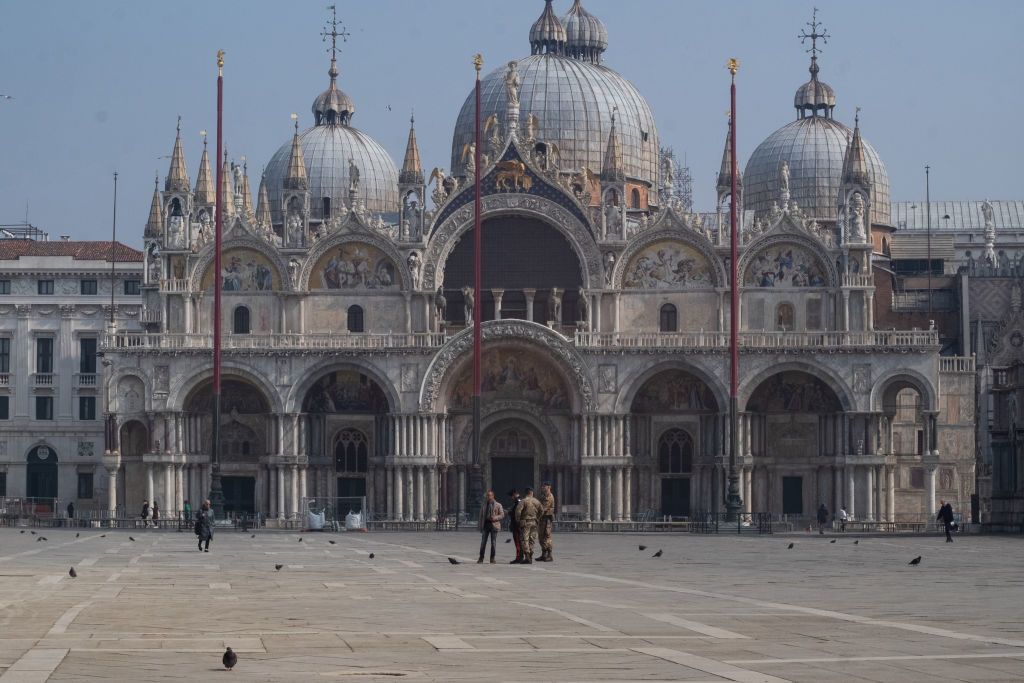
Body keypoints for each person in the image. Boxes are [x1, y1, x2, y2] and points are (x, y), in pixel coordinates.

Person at [477, 490, 504, 564]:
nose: (489, 497)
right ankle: (481, 558)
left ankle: (492, 558)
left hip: (494, 525)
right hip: (486, 525)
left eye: (490, 495)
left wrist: (495, 518)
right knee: (483, 542)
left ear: (493, 496)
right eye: (488, 496)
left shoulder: (498, 505)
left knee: (493, 542)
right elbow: (480, 516)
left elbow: (502, 515)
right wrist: (479, 526)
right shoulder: (484, 505)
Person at [517, 487, 543, 564]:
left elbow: (518, 511)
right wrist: (537, 518)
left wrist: (519, 520)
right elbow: (541, 511)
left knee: (525, 539)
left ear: (526, 493)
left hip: (525, 522)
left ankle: (527, 556)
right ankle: (530, 555)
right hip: (534, 522)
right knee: (532, 539)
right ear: (532, 492)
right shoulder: (537, 501)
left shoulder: (523, 501)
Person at [537, 482, 556, 562]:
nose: (543, 487)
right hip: (542, 519)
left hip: (547, 518)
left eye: (544, 486)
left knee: (547, 536)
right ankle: (543, 554)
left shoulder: (549, 496)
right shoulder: (543, 495)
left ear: (549, 487)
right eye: (542, 486)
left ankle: (550, 555)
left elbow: (544, 508)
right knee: (541, 537)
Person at [507, 489, 523, 564]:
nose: (511, 498)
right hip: (518, 525)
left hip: (517, 526)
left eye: (512, 496)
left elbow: (517, 513)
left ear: (515, 495)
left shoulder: (518, 502)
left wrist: (509, 512)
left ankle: (519, 557)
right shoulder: (518, 502)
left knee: (518, 542)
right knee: (519, 542)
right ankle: (521, 557)